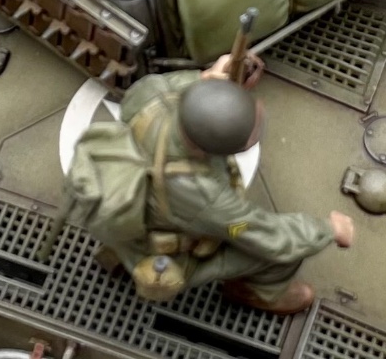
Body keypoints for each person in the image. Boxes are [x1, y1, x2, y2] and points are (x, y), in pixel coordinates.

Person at [88, 54, 354, 314]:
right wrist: (327, 229)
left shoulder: (149, 97)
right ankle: (254, 292)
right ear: (211, 152)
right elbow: (263, 233)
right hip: (162, 249)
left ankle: (118, 254)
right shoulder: (205, 194)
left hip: (116, 210)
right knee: (281, 252)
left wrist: (206, 79)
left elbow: (162, 86)